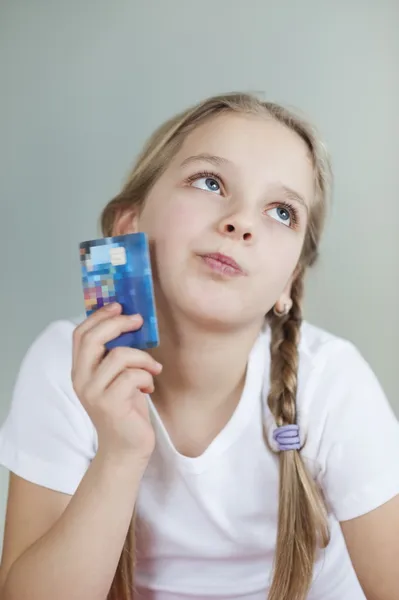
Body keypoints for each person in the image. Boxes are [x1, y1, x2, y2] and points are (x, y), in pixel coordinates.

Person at [0, 92, 398, 600]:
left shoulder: (333, 382)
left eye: (281, 212)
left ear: (289, 284)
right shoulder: (66, 363)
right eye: (210, 182)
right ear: (130, 225)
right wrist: (120, 456)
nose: (240, 222)